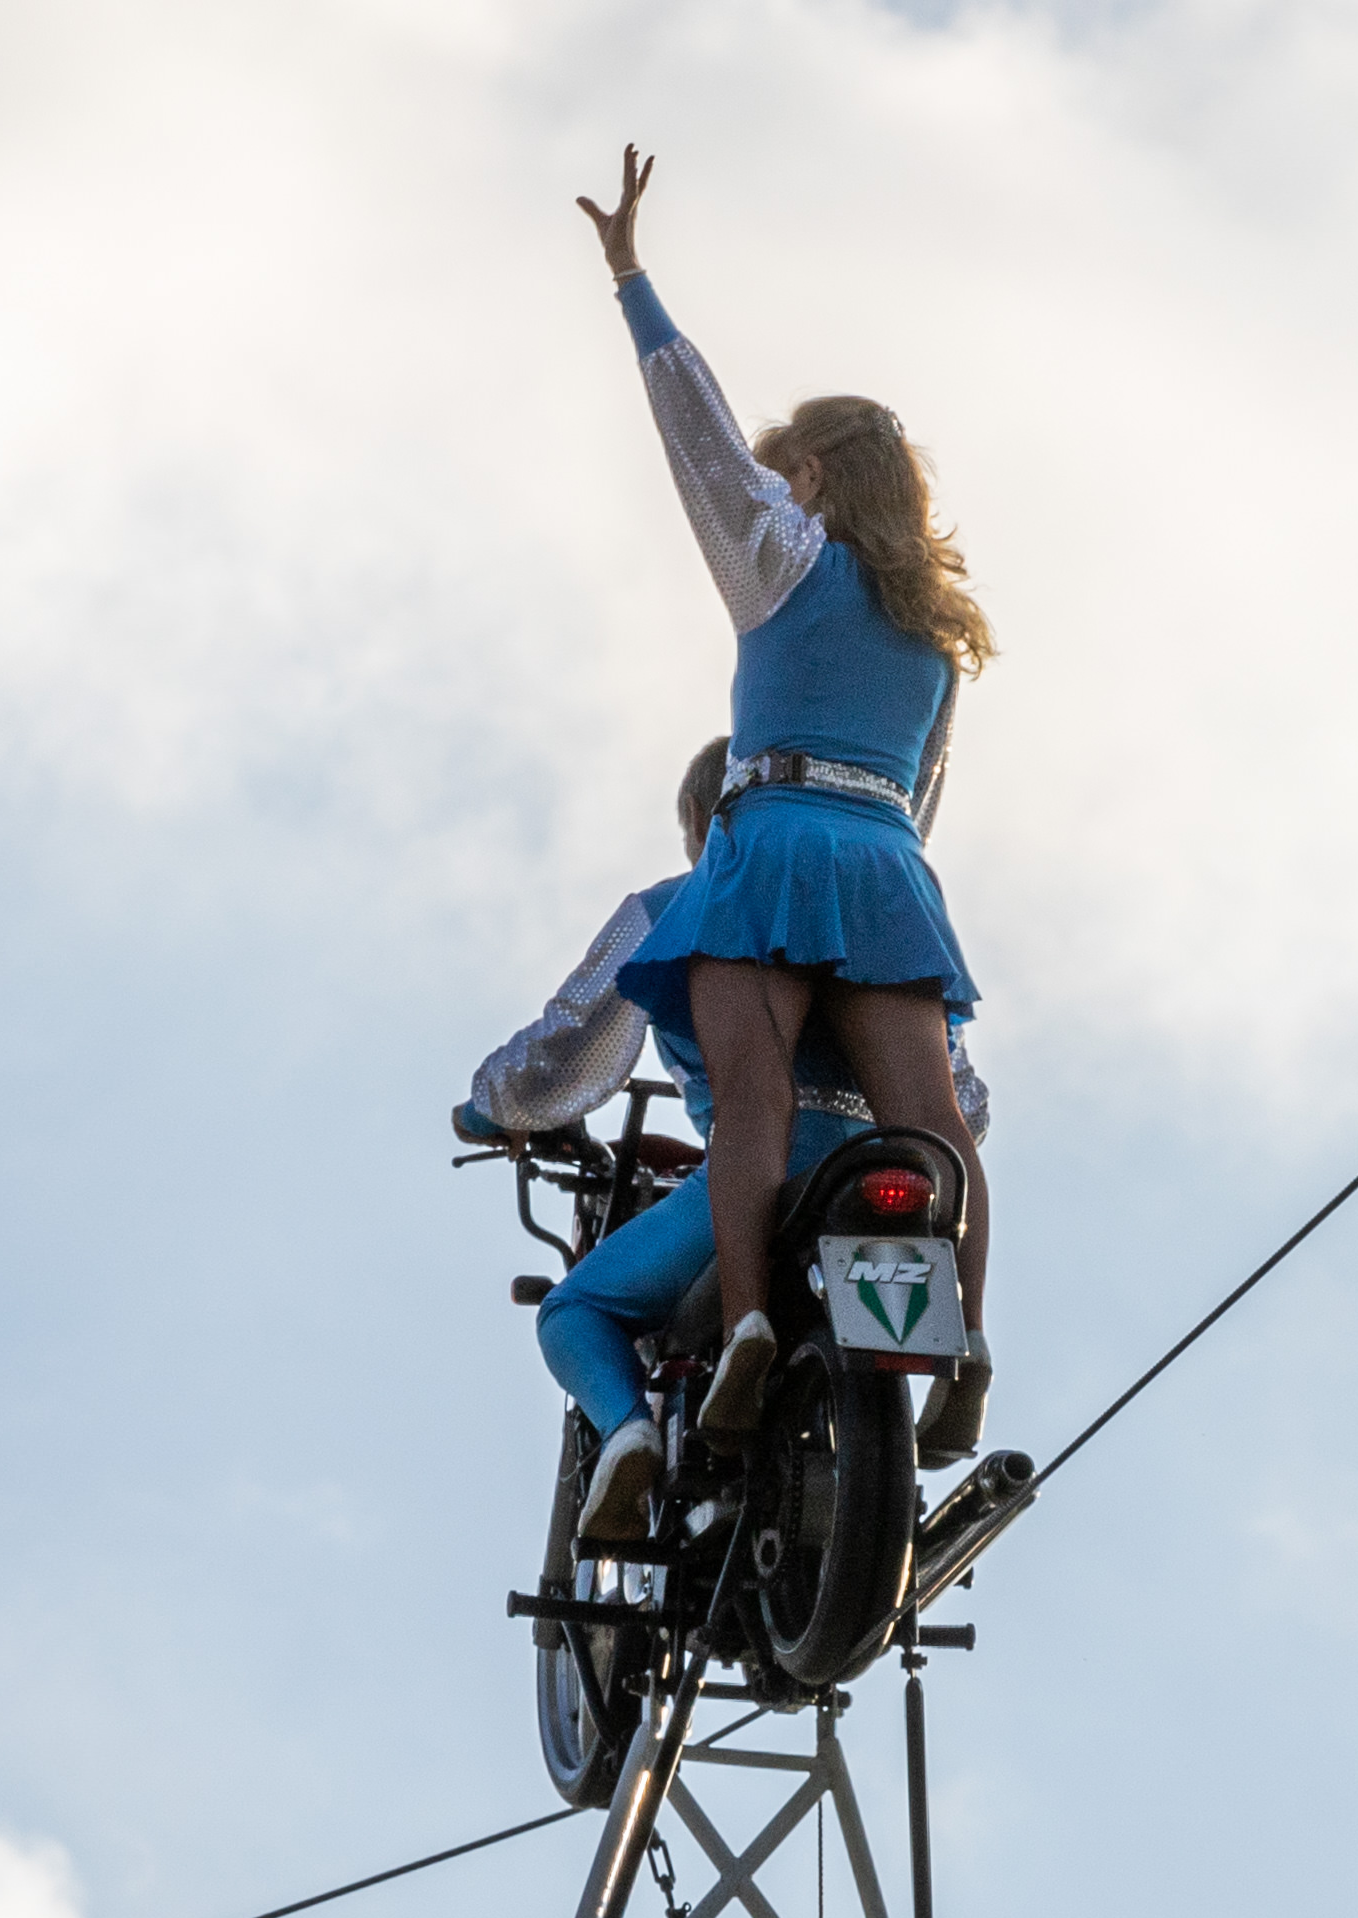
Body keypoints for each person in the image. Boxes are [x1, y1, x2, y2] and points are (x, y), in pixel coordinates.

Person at [576, 147, 998, 1466]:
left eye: (785, 471)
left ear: (809, 474)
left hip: (769, 851)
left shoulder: (782, 559)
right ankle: (969, 1342)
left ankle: (752, 1324)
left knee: (752, 1113)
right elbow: (922, 793)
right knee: (931, 1124)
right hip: (889, 870)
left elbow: (694, 436)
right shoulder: (937, 633)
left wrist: (632, 281)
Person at [463, 737, 991, 1545]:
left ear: (700, 817)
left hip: (753, 1169)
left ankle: (629, 1435)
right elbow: (965, 1103)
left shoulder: (675, 909)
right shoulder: (883, 907)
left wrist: (490, 1107)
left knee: (575, 1310)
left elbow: (568, 1049)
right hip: (894, 1158)